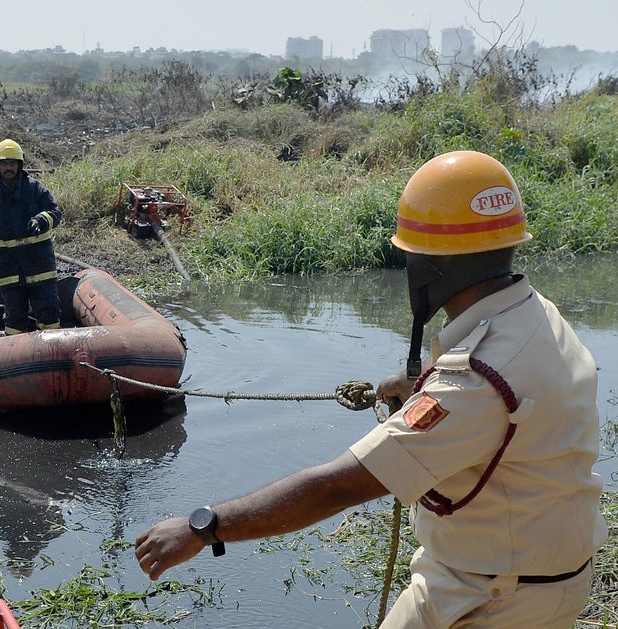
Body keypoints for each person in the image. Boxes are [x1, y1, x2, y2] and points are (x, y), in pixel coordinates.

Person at [135, 150, 605, 627]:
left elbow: (338, 486)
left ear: (432, 265)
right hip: (524, 572)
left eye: (409, 255)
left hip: (494, 597)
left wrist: (205, 527)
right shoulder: (534, 312)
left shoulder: (473, 381)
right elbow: (509, 408)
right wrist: (423, 387)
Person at [0, 138, 63, 335]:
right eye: (4, 164)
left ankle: (53, 356)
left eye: (12, 163)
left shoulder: (35, 188)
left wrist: (41, 221)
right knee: (14, 318)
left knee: (49, 312)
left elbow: (55, 212)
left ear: (19, 165)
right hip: (9, 269)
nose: (8, 168)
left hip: (40, 266)